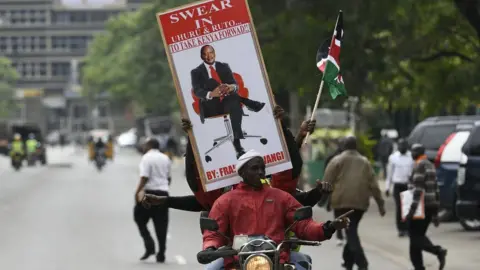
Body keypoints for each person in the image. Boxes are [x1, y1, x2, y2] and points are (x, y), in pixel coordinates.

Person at [200, 150, 350, 270]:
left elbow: (304, 225)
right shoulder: (225, 201)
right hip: (237, 259)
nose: (260, 172)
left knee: (304, 263)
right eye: (254, 168)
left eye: (262, 168)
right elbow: (213, 232)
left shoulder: (281, 197)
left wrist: (328, 227)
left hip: (277, 258)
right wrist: (210, 248)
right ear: (242, 173)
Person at [322, 136, 386, 270]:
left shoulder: (336, 160)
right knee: (351, 230)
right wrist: (380, 204)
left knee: (350, 232)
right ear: (356, 146)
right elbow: (374, 185)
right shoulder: (365, 162)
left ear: (343, 146)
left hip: (341, 202)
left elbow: (327, 182)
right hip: (360, 203)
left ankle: (362, 263)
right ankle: (348, 262)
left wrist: (324, 200)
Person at [191, 44, 265, 157]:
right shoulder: (196, 72)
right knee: (212, 82)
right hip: (210, 105)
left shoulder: (224, 66)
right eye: (205, 54)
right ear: (201, 56)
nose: (208, 56)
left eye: (211, 53)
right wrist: (211, 93)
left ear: (214, 53)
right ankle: (249, 103)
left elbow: (235, 85)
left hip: (228, 102)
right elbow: (196, 91)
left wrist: (231, 87)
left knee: (232, 98)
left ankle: (237, 144)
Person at [407, 144, 447, 270]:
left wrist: (411, 210)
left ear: (417, 153)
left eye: (413, 152)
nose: (411, 154)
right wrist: (435, 213)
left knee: (415, 237)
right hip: (430, 206)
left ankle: (438, 251)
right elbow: (436, 189)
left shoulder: (420, 165)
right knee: (417, 238)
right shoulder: (430, 165)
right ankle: (418, 267)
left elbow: (418, 189)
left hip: (420, 207)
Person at [134, 138, 172, 263]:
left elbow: (144, 177)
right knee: (162, 225)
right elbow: (168, 178)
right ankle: (161, 253)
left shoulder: (146, 158)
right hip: (163, 194)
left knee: (139, 218)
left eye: (145, 144)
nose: (143, 146)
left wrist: (137, 192)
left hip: (149, 195)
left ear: (149, 145)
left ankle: (149, 244)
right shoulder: (165, 158)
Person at [385, 138, 414, 237]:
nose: (402, 147)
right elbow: (389, 173)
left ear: (407, 146)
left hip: (408, 185)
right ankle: (401, 228)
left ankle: (408, 228)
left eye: (404, 145)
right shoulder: (393, 157)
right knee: (399, 207)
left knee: (408, 207)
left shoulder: (411, 157)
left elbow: (413, 171)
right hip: (397, 185)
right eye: (400, 145)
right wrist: (387, 187)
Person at [323, 137, 346, 245]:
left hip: (344, 189)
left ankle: (343, 235)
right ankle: (340, 235)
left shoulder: (350, 158)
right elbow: (327, 177)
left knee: (343, 213)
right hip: (336, 189)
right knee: (338, 214)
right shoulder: (333, 158)